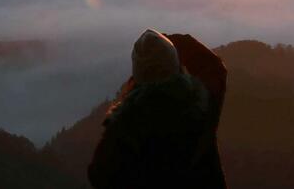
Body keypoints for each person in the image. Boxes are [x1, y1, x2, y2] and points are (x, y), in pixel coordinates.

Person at [88, 29, 228, 189]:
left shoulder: (122, 131)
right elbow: (213, 66)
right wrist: (166, 43)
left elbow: (98, 175)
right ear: (174, 64)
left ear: (138, 76)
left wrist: (148, 50)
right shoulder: (202, 106)